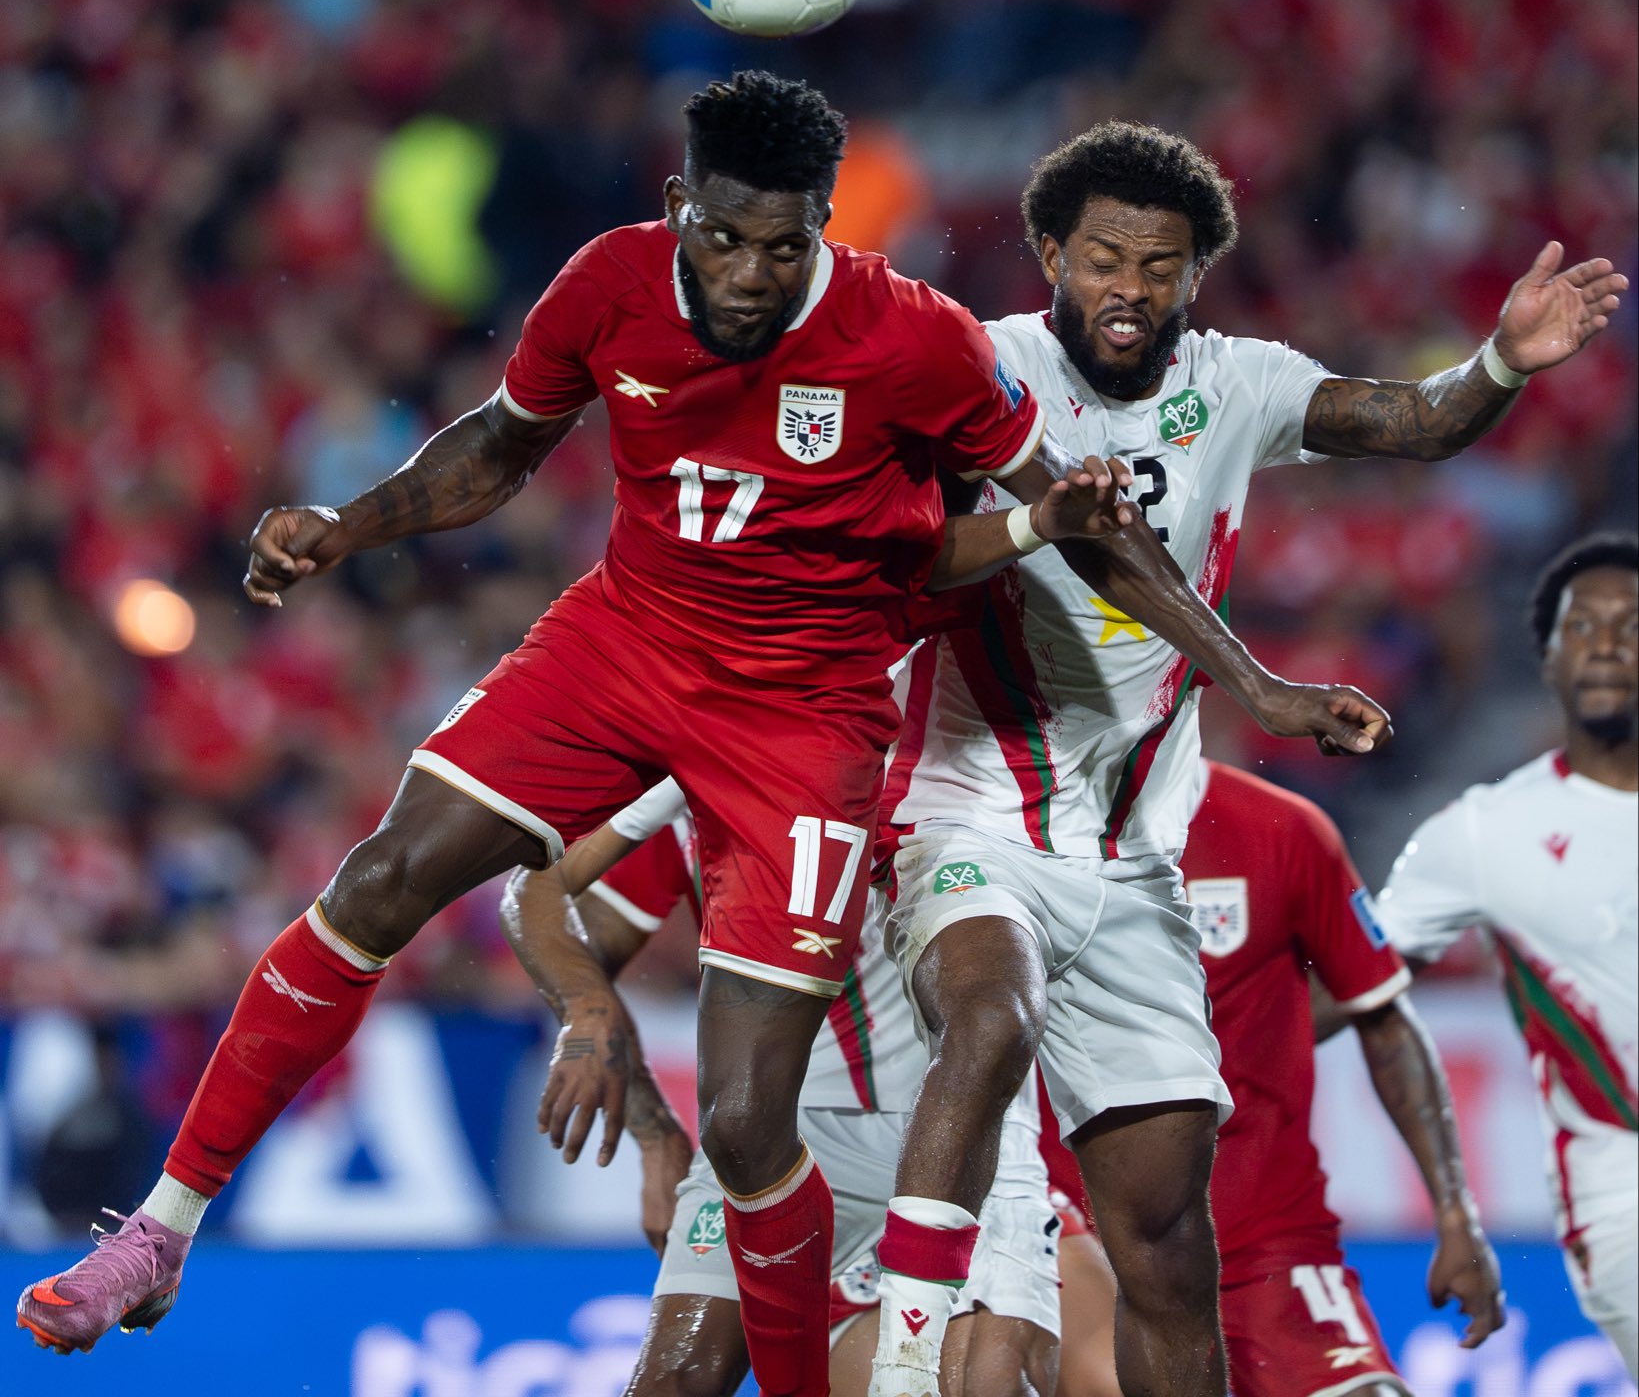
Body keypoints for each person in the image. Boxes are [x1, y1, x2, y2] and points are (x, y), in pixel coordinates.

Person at [19, 73, 1324, 1391]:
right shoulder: (608, 285)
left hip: (804, 713)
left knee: (750, 1119)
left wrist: (1251, 684)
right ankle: (165, 1229)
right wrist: (348, 527)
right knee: (380, 878)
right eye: (723, 235)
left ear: (825, 223)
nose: (751, 273)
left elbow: (1080, 522)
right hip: (625, 641)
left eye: (785, 242)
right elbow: (495, 449)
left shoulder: (910, 338)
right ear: (675, 206)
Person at [866, 120, 1626, 1397]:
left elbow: (1413, 419)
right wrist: (1260, 684)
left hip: (1133, 858)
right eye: (1104, 257)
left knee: (1166, 1238)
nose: (1130, 288)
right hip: (971, 809)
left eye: (1160, 266)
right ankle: (902, 1353)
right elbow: (905, 555)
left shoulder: (1238, 379)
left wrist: (1501, 358)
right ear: (1051, 251)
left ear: (1194, 278)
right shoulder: (978, 367)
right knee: (988, 1015)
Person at [502, 779, 1063, 1397]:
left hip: (953, 1132)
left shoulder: (932, 735)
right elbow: (538, 893)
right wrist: (655, 1131)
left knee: (978, 1383)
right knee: (674, 1379)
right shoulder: (692, 769)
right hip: (771, 1138)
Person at [1377, 533, 1638, 1377]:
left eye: (1630, 625)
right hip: (1621, 1188)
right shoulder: (1483, 832)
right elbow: (1355, 981)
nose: (1605, 645)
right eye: (1581, 627)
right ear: (1548, 656)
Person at [1185, 758, 1504, 1397]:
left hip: (1264, 1242)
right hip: (1079, 1234)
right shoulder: (1014, 834)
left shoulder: (1281, 827)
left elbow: (1382, 1014)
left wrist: (1454, 1212)